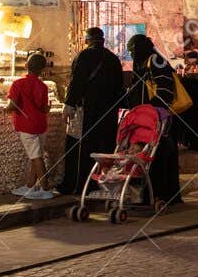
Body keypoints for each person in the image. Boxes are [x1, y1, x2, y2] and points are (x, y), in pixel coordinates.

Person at [58, 27, 126, 195]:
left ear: (87, 40)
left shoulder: (84, 56)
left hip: (88, 110)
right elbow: (120, 88)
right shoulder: (112, 58)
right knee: (103, 147)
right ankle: (100, 182)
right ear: (102, 40)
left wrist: (69, 104)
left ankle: (78, 184)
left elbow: (77, 82)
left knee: (83, 148)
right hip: (108, 112)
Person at [127, 34, 182, 209]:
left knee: (159, 156)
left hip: (158, 118)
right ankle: (148, 194)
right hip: (146, 120)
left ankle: (162, 194)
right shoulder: (143, 63)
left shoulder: (156, 61)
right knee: (147, 156)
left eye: (132, 51)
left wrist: (152, 110)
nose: (131, 55)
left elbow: (165, 89)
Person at [7, 51, 55, 199]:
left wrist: (7, 109)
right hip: (41, 124)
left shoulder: (18, 84)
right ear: (43, 69)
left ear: (26, 65)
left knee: (36, 157)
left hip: (27, 125)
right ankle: (30, 186)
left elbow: (12, 105)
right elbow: (44, 108)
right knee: (36, 155)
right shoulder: (43, 86)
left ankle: (45, 188)